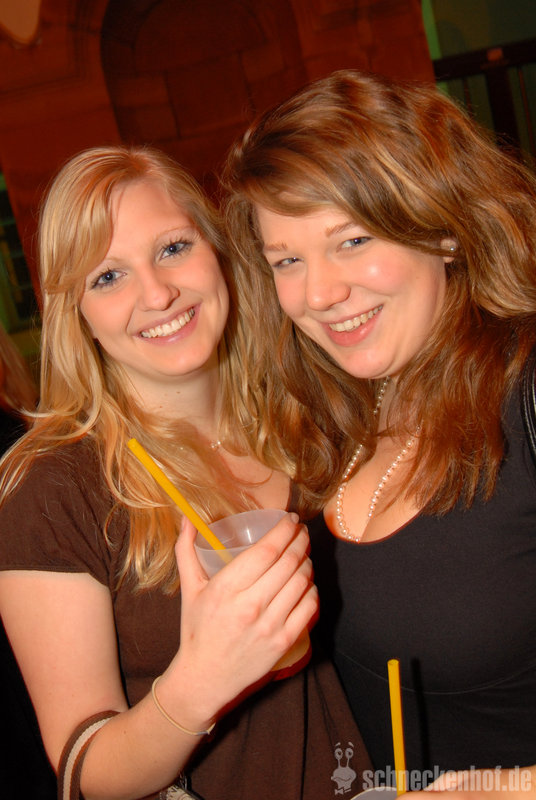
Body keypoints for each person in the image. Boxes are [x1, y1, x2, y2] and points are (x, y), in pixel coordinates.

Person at [0, 145, 370, 800]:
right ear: (77, 313)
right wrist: (199, 682)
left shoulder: (316, 412)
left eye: (172, 248)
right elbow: (84, 773)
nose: (158, 293)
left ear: (216, 249)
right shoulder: (53, 487)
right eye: (107, 278)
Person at [222, 69, 536, 797]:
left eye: (352, 239)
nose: (319, 293)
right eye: (287, 261)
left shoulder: (526, 392)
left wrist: (501, 788)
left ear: (441, 227)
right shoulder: (333, 418)